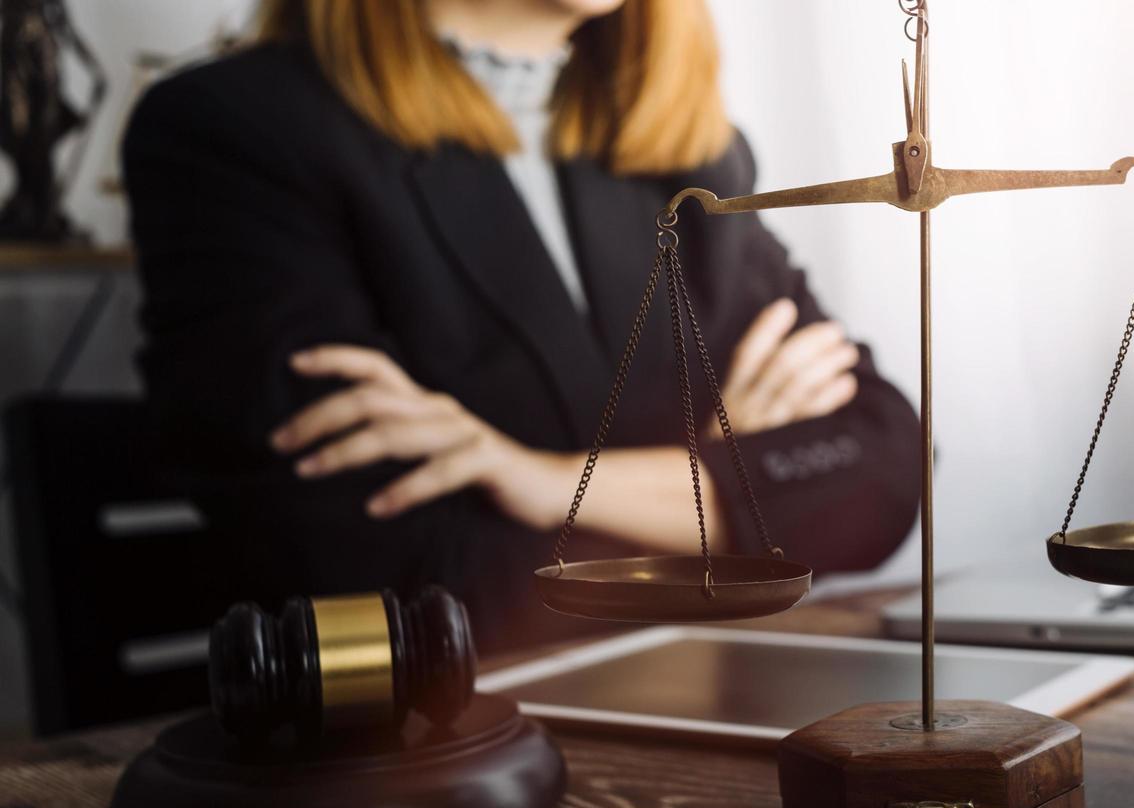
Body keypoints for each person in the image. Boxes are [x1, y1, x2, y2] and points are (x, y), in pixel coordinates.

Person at [123, 0, 921, 650]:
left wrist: (540, 482)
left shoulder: (691, 152)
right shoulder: (234, 128)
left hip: (699, 699)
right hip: (426, 740)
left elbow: (882, 471)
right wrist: (715, 477)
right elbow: (377, 569)